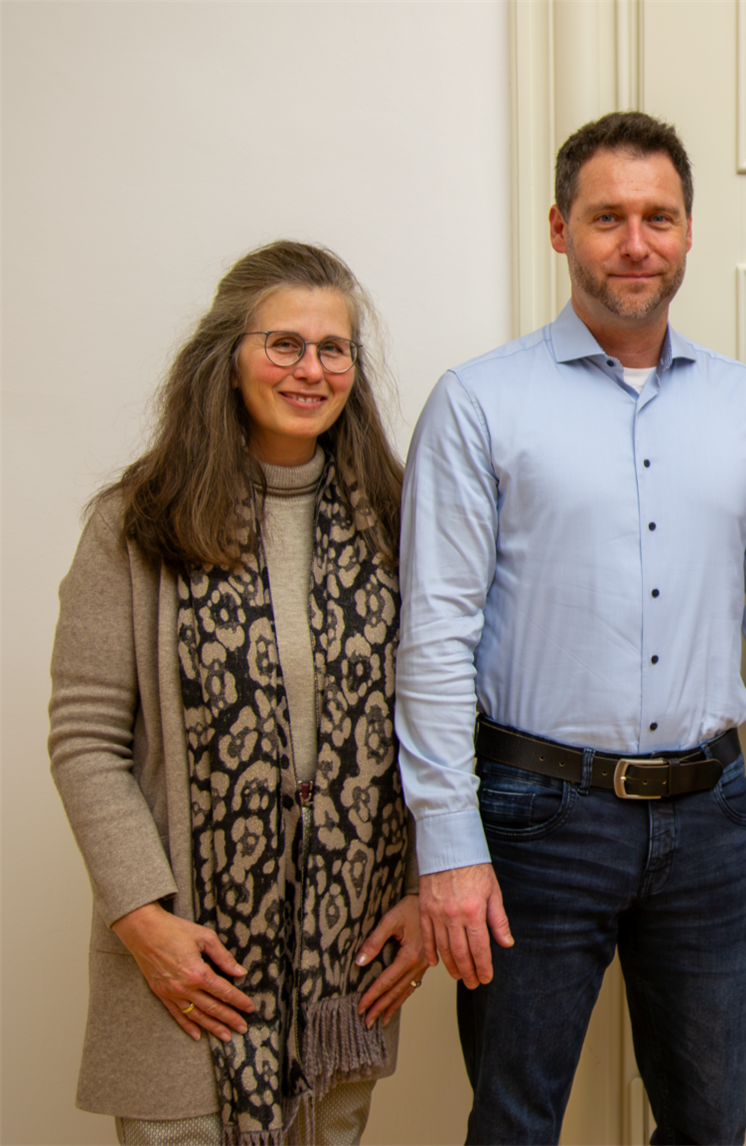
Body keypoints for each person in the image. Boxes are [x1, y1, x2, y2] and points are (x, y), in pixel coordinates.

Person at [397, 110, 746, 1145]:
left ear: (688, 232)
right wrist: (447, 840)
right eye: (607, 217)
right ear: (558, 229)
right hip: (532, 817)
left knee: (706, 1126)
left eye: (658, 217)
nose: (634, 242)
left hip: (707, 821)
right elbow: (435, 635)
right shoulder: (478, 404)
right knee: (515, 1123)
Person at [48, 240, 428, 1144]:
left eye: (334, 348)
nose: (312, 369)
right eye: (284, 344)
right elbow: (86, 739)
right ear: (227, 357)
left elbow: (442, 716)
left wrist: (421, 884)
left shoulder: (402, 519)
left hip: (346, 965)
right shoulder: (136, 522)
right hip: (188, 965)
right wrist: (144, 919)